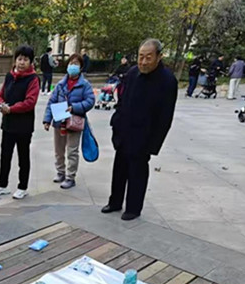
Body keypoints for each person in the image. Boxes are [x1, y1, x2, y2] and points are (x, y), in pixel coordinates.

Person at [102, 39, 177, 221]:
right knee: (119, 169)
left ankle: (133, 208)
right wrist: (116, 125)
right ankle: (115, 201)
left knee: (137, 172)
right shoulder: (132, 73)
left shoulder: (167, 81)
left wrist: (153, 145)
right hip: (124, 132)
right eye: (140, 57)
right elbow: (121, 100)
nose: (143, 62)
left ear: (159, 57)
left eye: (148, 57)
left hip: (144, 136)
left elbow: (165, 117)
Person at [0, 45, 40, 200]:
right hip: (8, 124)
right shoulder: (9, 76)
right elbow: (0, 94)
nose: (22, 62)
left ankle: (22, 187)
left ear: (30, 62)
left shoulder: (33, 79)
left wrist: (11, 109)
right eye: (19, 59)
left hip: (23, 126)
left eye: (25, 59)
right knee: (5, 155)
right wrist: (0, 104)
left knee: (23, 157)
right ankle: (2, 185)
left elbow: (30, 102)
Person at [43, 53, 94, 189]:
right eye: (71, 63)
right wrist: (47, 119)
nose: (73, 66)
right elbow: (52, 101)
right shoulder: (61, 84)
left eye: (76, 64)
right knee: (59, 150)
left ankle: (70, 177)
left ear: (81, 67)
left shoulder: (85, 85)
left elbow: (90, 101)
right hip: (59, 121)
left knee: (72, 151)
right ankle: (60, 172)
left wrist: (75, 108)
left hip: (74, 121)